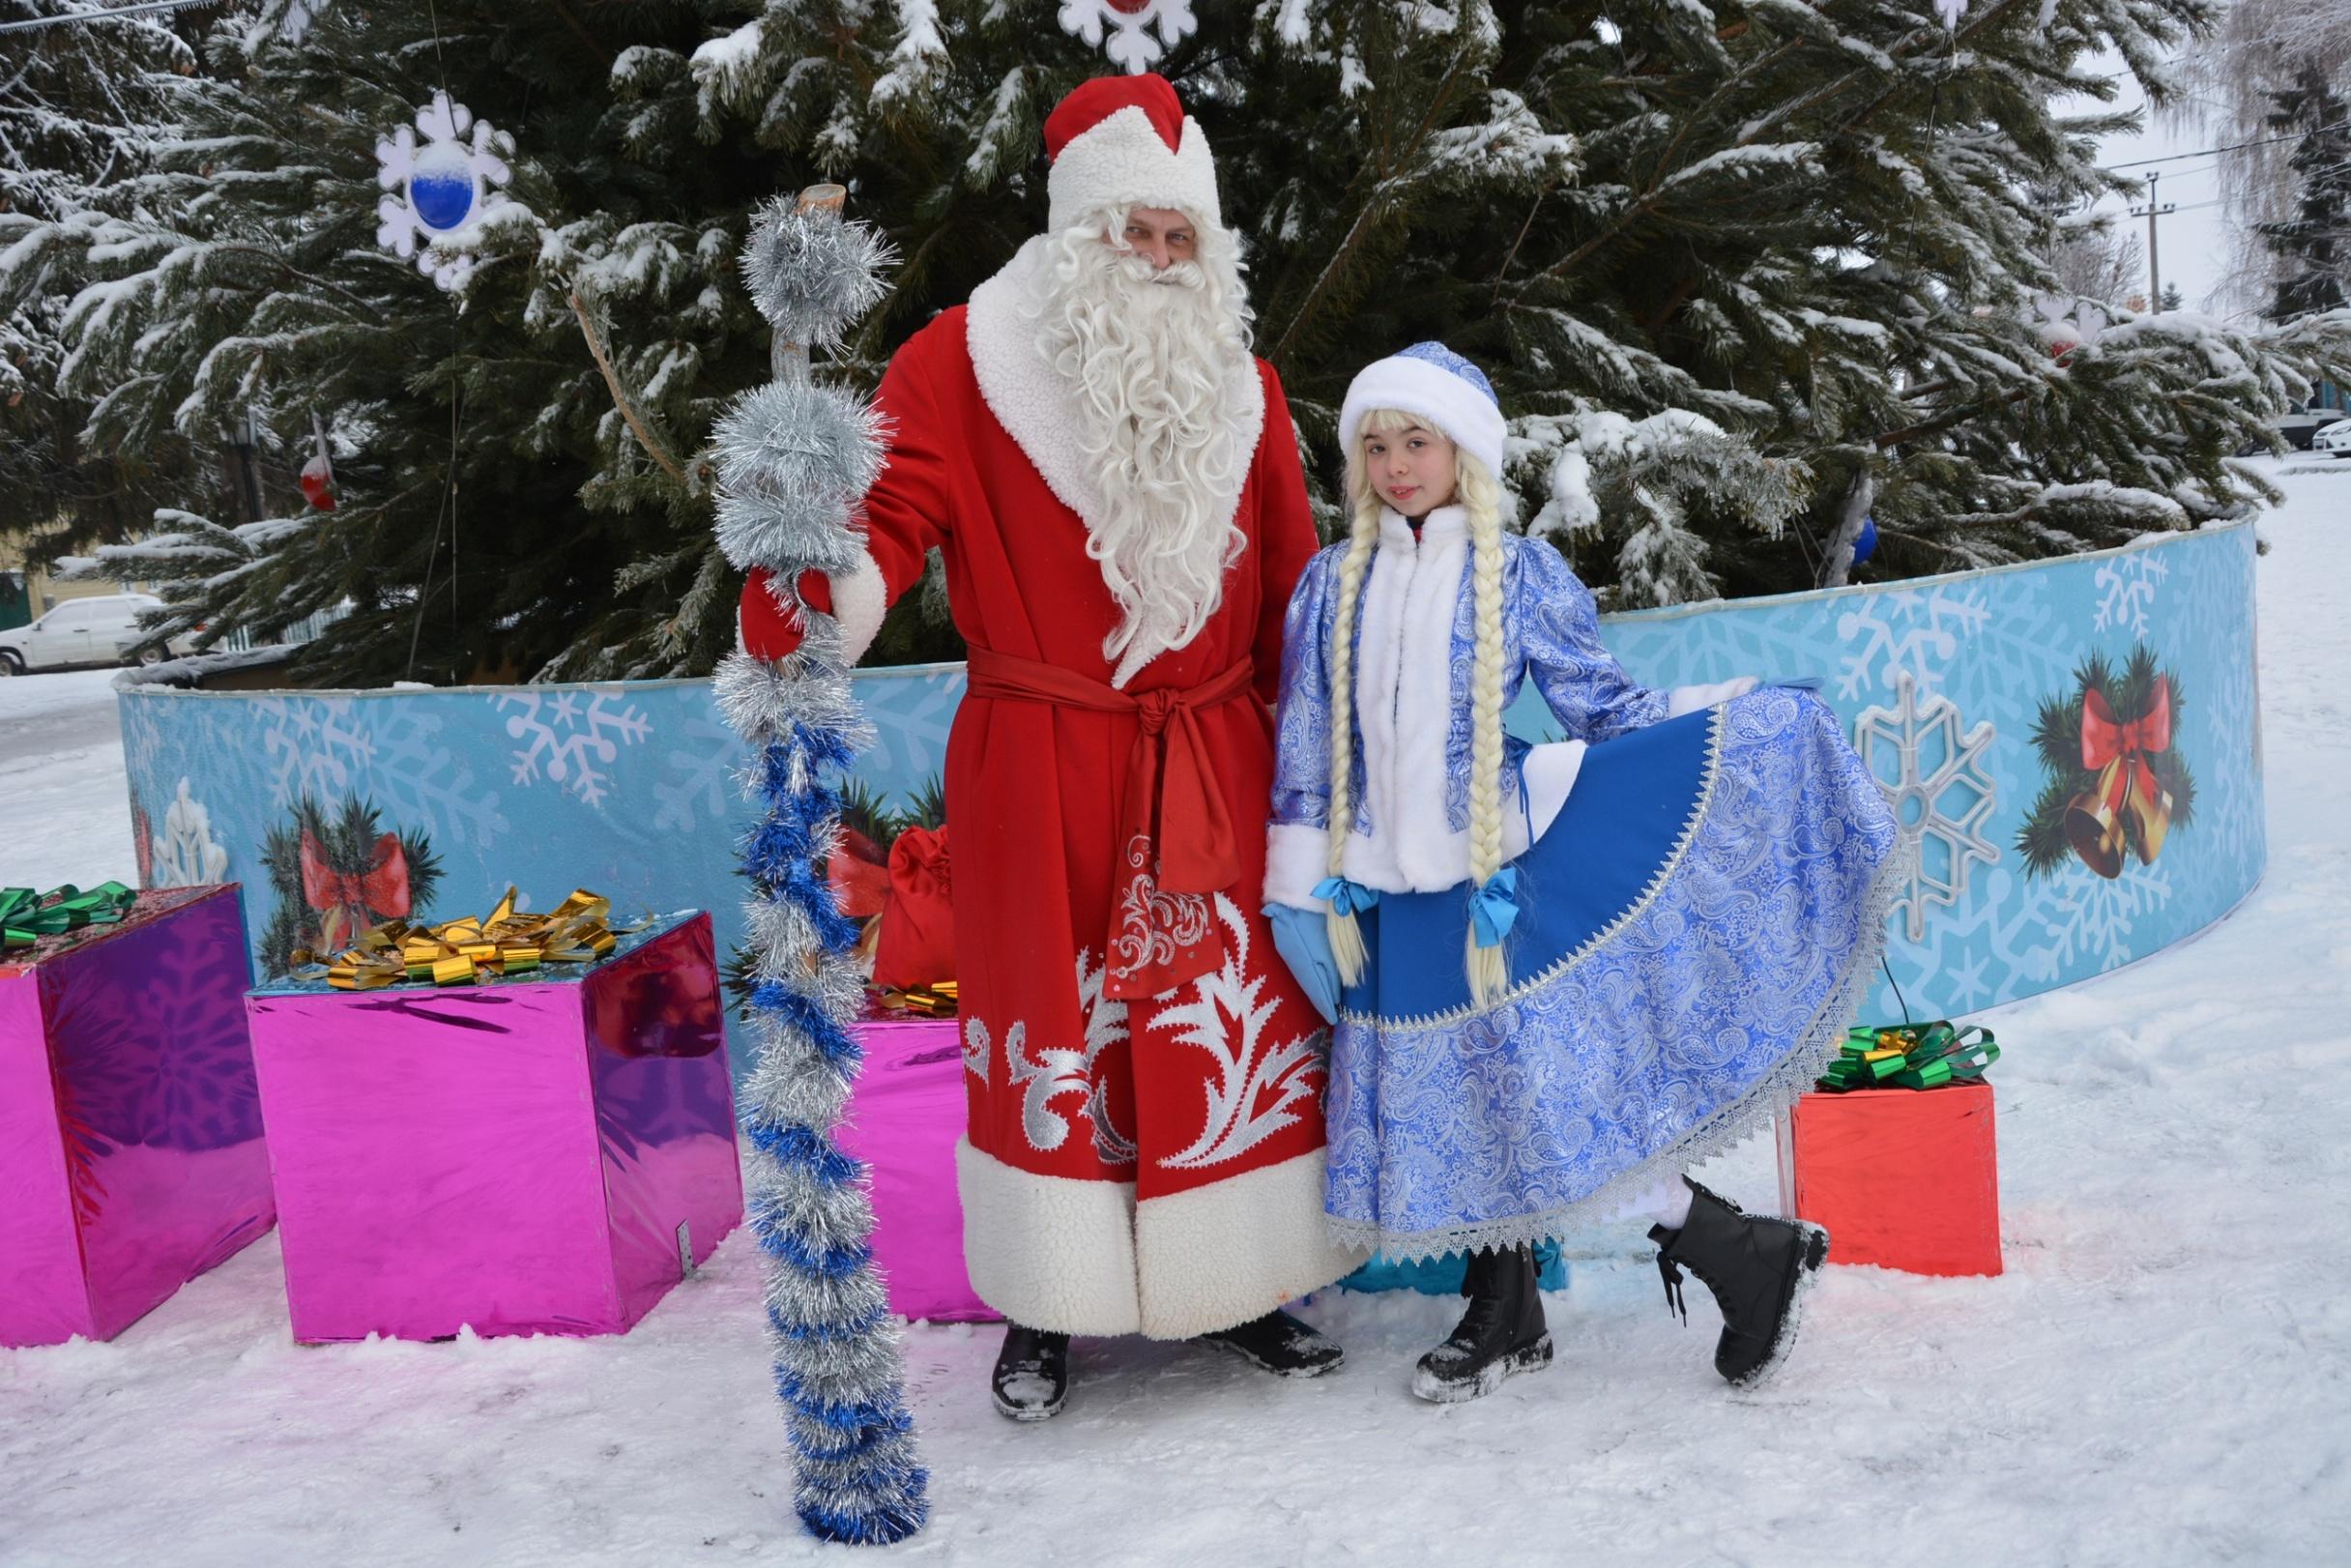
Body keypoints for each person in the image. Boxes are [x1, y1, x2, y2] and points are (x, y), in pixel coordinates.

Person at [737, 74, 1354, 1421]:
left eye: (1180, 238)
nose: (1156, 259)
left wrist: (1328, 757)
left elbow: (1299, 592)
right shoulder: (960, 364)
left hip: (1214, 762)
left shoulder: (1245, 387)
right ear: (1078, 232)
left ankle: (1238, 1281)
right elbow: (887, 516)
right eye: (1133, 232)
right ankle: (1048, 1304)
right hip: (1041, 757)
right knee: (1051, 1026)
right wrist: (823, 570)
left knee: (1216, 1021)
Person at [1262, 344, 1907, 1402]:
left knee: (1536, 1092)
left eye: (1414, 440)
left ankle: (1737, 1250)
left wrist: (1741, 714)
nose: (1393, 464)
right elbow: (1302, 738)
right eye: (1373, 445)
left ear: (1461, 449)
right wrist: (1295, 882)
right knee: (1465, 1100)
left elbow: (1604, 710)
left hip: (1491, 877)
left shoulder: (1517, 572)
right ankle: (1509, 1311)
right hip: (1376, 889)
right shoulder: (1328, 584)